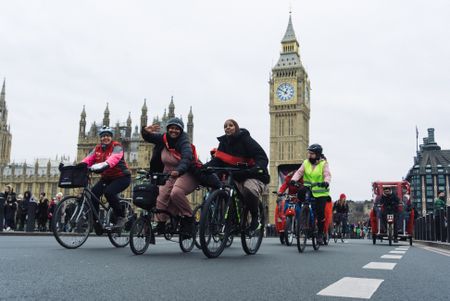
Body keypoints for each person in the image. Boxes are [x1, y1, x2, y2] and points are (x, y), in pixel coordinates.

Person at [205, 119, 270, 232]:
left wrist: (258, 168)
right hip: (234, 175)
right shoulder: (223, 142)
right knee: (222, 189)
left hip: (250, 174)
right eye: (225, 126)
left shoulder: (246, 139)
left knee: (249, 189)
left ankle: (255, 217)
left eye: (231, 125)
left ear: (236, 127)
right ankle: (231, 220)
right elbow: (218, 160)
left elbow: (261, 156)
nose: (228, 127)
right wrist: (204, 167)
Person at [141, 117, 200, 236]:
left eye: (177, 128)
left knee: (176, 193)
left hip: (187, 172)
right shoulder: (164, 138)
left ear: (182, 130)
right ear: (167, 129)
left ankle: (188, 219)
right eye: (171, 128)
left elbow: (187, 158)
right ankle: (161, 223)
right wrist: (145, 131)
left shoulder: (184, 142)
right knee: (161, 195)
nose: (174, 130)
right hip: (169, 174)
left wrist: (178, 170)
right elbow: (149, 138)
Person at [80, 126, 131, 228]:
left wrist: (104, 164)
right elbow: (88, 159)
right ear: (100, 138)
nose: (105, 138)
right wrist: (79, 166)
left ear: (111, 137)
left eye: (108, 136)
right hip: (107, 178)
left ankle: (121, 216)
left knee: (109, 192)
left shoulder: (117, 147)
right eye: (103, 136)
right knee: (94, 193)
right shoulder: (98, 149)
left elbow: (113, 159)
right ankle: (96, 222)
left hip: (122, 177)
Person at [291, 144, 331, 244]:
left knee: (320, 212)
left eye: (312, 154)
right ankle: (304, 216)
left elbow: (327, 174)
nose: (309, 155)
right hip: (308, 188)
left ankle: (320, 234)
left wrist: (326, 182)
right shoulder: (306, 162)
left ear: (317, 154)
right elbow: (299, 172)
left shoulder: (323, 163)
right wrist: (293, 179)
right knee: (300, 192)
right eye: (309, 153)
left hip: (320, 191)